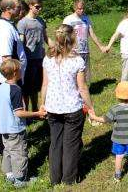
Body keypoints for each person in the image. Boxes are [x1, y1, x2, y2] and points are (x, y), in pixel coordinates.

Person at [40, 24, 95, 185]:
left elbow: (44, 84)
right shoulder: (77, 61)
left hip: (52, 108)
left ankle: (55, 178)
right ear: (71, 39)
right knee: (71, 144)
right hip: (72, 109)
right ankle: (69, 179)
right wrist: (90, 107)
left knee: (55, 143)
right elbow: (83, 88)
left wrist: (42, 104)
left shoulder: (47, 59)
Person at [0, 59, 46, 187]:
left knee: (7, 151)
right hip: (15, 129)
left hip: (3, 128)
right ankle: (20, 179)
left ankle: (9, 175)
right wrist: (36, 114)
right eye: (20, 69)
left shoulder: (1, 87)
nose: (22, 71)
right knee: (19, 153)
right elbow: (18, 113)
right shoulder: (16, 90)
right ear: (14, 73)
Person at [0, 0, 27, 155]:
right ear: (9, 8)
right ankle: (4, 145)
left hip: (10, 77)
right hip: (10, 77)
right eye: (18, 6)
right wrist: (14, 80)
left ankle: (3, 143)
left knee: (4, 109)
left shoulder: (5, 24)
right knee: (8, 110)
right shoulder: (4, 29)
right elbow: (7, 59)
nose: (20, 9)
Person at [17, 0, 50, 112]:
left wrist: (55, 46)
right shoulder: (22, 23)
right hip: (27, 60)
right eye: (37, 7)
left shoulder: (41, 21)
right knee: (27, 88)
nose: (39, 9)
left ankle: (36, 109)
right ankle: (26, 112)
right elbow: (20, 42)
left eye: (41, 7)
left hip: (40, 58)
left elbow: (46, 38)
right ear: (30, 6)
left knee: (37, 86)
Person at [63, 0, 106, 82]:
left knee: (84, 74)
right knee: (73, 74)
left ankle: (83, 92)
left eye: (83, 8)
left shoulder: (86, 18)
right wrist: (66, 49)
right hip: (73, 52)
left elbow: (92, 34)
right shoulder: (68, 19)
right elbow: (63, 35)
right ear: (75, 8)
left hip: (85, 51)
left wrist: (100, 46)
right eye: (79, 9)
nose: (81, 10)